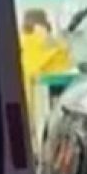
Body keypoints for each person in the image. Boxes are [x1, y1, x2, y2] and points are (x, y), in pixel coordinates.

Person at [19, 8, 74, 141]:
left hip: (26, 107)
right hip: (49, 103)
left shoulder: (19, 43)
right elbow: (66, 65)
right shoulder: (52, 45)